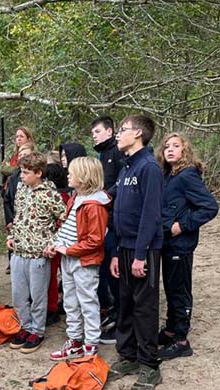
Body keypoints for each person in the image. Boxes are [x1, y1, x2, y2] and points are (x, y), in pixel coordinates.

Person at [108, 114, 163, 390]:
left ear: (138, 133)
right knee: (126, 304)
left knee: (145, 307)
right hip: (124, 248)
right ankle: (127, 356)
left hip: (144, 251)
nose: (118, 135)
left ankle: (149, 365)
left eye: (122, 130)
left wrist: (140, 255)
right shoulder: (126, 168)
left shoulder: (149, 167)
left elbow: (151, 216)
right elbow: (119, 211)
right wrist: (118, 252)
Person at [156, 133, 218, 360]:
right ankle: (171, 329)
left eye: (175, 146)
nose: (170, 150)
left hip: (180, 243)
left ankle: (181, 340)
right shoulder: (167, 175)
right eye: (166, 147)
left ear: (185, 150)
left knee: (179, 289)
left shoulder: (187, 175)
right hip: (166, 242)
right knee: (171, 286)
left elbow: (209, 207)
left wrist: (182, 226)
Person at [45, 157, 110, 361]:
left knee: (87, 302)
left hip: (84, 262)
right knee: (71, 302)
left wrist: (69, 250)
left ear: (83, 177)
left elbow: (95, 240)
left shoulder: (95, 204)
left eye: (72, 173)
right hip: (68, 259)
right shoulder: (75, 198)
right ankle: (74, 340)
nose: (68, 176)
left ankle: (91, 344)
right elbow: (66, 227)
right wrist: (55, 245)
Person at [7, 153, 66, 354]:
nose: (21, 176)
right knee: (19, 295)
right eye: (21, 171)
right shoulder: (21, 190)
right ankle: (25, 326)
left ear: (38, 173)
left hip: (38, 255)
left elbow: (65, 220)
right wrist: (12, 236)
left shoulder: (50, 194)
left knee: (38, 295)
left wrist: (53, 242)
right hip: (19, 252)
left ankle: (37, 331)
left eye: (25, 172)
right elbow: (18, 216)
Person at [91, 116, 124, 345]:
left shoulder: (118, 152)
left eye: (98, 131)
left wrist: (105, 196)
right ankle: (114, 309)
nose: (94, 135)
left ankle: (122, 316)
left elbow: (121, 181)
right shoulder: (101, 154)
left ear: (110, 131)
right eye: (92, 131)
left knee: (114, 269)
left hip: (114, 218)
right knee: (105, 268)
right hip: (103, 216)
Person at [3, 142, 36, 275]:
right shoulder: (14, 176)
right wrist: (10, 220)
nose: (22, 157)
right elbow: (8, 199)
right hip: (15, 220)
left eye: (25, 155)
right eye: (20, 155)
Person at [45, 150, 70, 326]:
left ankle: (52, 308)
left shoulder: (58, 198)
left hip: (57, 243)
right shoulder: (67, 196)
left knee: (52, 277)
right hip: (61, 242)